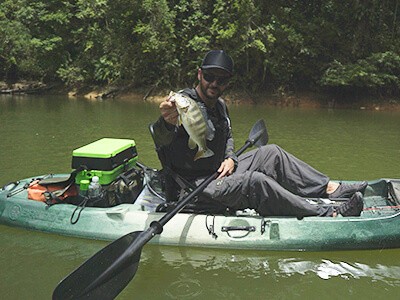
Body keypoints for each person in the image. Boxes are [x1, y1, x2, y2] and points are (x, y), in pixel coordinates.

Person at [151, 50, 367, 218]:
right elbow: (161, 140)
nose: (214, 84)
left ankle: (329, 189)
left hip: (217, 171)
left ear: (228, 82)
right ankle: (329, 213)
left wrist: (230, 157)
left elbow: (228, 137)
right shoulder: (181, 105)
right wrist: (167, 123)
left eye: (222, 80)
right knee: (255, 181)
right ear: (199, 74)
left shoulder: (220, 106)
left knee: (271, 153)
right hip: (193, 188)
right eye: (209, 76)